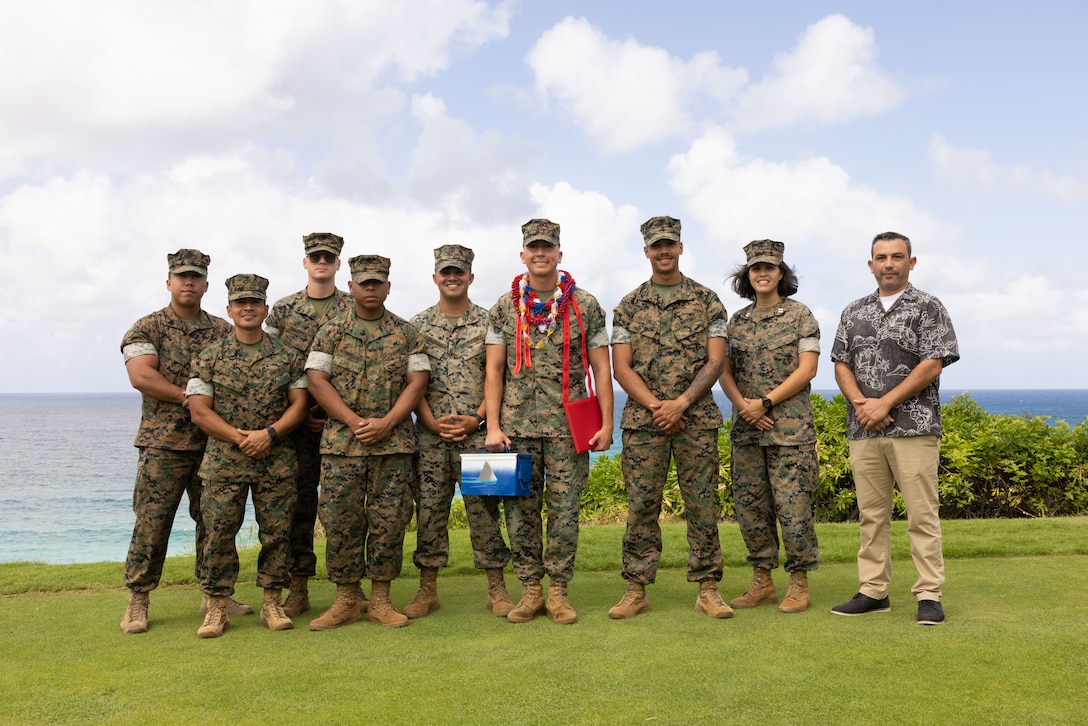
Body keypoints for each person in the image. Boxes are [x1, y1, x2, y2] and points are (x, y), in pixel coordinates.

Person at [484, 218, 614, 625]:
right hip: (516, 427)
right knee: (519, 510)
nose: (541, 253)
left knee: (564, 508)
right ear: (523, 254)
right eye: (533, 247)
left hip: (567, 428)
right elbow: (494, 371)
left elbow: (601, 368)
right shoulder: (505, 307)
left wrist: (608, 425)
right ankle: (530, 590)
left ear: (560, 253)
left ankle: (558, 589)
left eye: (548, 247)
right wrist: (492, 426)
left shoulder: (586, 305)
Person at [830, 231, 959, 625]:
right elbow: (840, 362)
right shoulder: (853, 311)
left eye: (897, 257)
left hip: (915, 428)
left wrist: (885, 402)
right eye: (881, 257)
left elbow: (933, 362)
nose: (889, 263)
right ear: (870, 264)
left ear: (911, 262)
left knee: (922, 515)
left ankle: (929, 594)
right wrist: (862, 405)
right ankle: (873, 591)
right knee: (872, 516)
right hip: (863, 429)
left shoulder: (928, 307)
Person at [607, 216, 732, 620]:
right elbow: (621, 368)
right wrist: (659, 407)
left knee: (702, 505)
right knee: (642, 505)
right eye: (656, 245)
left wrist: (682, 402)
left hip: (696, 420)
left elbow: (715, 361)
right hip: (645, 424)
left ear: (680, 247)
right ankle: (636, 589)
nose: (663, 251)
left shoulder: (708, 300)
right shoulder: (628, 305)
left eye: (670, 244)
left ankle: (708, 588)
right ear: (646, 251)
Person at [119, 248, 243, 634]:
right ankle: (138, 600)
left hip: (214, 444)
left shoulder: (224, 330)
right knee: (152, 523)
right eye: (181, 276)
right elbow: (141, 376)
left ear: (206, 284)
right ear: (169, 282)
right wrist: (185, 397)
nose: (189, 282)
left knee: (216, 522)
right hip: (164, 444)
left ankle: (214, 596)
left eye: (196, 277)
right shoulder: (147, 327)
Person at [305, 254, 430, 630]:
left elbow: (417, 383)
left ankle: (380, 600)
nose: (371, 288)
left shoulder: (408, 333)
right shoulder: (330, 332)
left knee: (389, 521)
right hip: (343, 445)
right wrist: (353, 420)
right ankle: (345, 599)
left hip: (393, 446)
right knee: (340, 519)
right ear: (351, 286)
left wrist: (389, 421)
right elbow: (316, 380)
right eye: (364, 282)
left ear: (388, 287)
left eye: (378, 282)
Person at [186, 274, 310, 638]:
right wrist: (240, 438)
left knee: (276, 534)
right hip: (224, 462)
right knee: (219, 534)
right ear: (229, 309)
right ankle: (217, 608)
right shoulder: (209, 356)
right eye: (240, 303)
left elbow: (299, 405)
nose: (248, 308)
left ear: (265, 309)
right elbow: (199, 410)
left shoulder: (286, 356)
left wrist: (268, 434)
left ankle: (272, 603)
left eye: (254, 302)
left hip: (276, 458)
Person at [406, 244, 514, 619]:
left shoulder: (491, 322)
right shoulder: (416, 325)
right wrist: (430, 421)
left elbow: (496, 375)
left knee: (485, 510)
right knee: (430, 512)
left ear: (470, 277)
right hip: (430, 438)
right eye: (445, 272)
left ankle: (497, 588)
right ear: (435, 277)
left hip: (478, 436)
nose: (452, 277)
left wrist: (479, 419)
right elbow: (413, 382)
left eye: (459, 272)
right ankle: (427, 590)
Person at [718, 240, 821, 614]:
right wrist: (744, 406)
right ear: (747, 275)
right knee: (751, 509)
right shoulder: (736, 322)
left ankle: (798, 583)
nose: (762, 273)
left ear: (781, 273)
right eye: (755, 268)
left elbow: (807, 369)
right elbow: (723, 370)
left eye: (770, 268)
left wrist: (764, 403)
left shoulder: (800, 316)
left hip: (788, 431)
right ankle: (762, 581)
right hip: (747, 430)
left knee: (793, 509)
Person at [265, 232, 355, 618]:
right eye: (315, 256)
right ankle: (298, 588)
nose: (322, 262)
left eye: (328, 257)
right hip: (294, 427)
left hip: (344, 425)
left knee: (345, 509)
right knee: (297, 509)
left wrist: (332, 411)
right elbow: (270, 363)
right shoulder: (283, 311)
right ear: (305, 262)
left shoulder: (356, 306)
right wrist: (299, 411)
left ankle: (350, 591)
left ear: (337, 264)